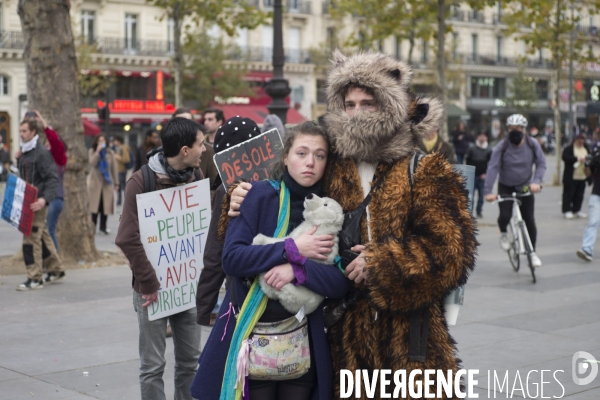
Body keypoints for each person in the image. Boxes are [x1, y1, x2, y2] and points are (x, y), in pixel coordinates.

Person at [227, 50, 477, 398]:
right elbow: (286, 190)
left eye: (368, 103)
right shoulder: (334, 165)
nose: (356, 113)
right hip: (346, 338)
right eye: (349, 104)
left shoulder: (424, 169)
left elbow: (453, 254)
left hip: (410, 339)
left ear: (389, 106)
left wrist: (382, 262)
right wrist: (238, 196)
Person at [191, 121, 348, 400]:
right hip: (253, 339)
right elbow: (232, 259)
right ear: (285, 156)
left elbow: (339, 283)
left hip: (303, 344)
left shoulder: (330, 209)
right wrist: (292, 248)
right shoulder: (259, 195)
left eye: (319, 155)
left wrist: (296, 269)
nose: (310, 162)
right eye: (301, 153)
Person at [115, 117, 206, 400]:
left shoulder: (196, 175)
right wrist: (149, 281)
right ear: (184, 150)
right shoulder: (141, 181)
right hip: (151, 293)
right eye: (201, 144)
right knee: (153, 366)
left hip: (186, 287)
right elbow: (126, 237)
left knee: (191, 362)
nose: (205, 149)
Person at [194, 116, 261, 341]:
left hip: (239, 289)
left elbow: (215, 253)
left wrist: (203, 307)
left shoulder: (227, 190)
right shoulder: (279, 182)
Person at [485, 113, 546, 268]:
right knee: (504, 215)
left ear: (524, 129)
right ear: (508, 129)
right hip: (506, 185)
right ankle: (504, 232)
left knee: (529, 220)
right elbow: (493, 168)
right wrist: (488, 192)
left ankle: (532, 253)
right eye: (512, 128)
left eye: (518, 128)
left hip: (525, 185)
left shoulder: (532, 144)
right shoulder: (502, 146)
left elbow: (541, 164)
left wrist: (536, 182)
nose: (515, 131)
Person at [16, 119, 65, 290]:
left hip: (37, 204)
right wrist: (18, 160)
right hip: (27, 202)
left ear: (33, 132)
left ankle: (34, 278)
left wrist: (44, 200)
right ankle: (56, 269)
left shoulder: (41, 152)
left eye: (24, 131)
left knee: (30, 240)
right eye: (20, 131)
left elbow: (52, 178)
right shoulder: (25, 152)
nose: (21, 134)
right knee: (42, 236)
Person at [173, 108, 219, 189]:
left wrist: (199, 197)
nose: (184, 127)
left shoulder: (207, 151)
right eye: (179, 122)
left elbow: (215, 188)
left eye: (187, 122)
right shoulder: (160, 155)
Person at [88, 134, 118, 235]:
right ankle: (92, 227)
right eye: (99, 141)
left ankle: (103, 227)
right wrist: (97, 152)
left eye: (103, 141)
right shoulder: (92, 151)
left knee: (105, 207)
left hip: (107, 183)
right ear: (96, 142)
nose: (102, 143)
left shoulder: (110, 153)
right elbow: (92, 163)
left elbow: (114, 168)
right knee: (94, 207)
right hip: (95, 183)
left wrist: (116, 182)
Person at [577, 144, 600, 261]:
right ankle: (587, 249)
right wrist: (587, 164)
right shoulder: (597, 154)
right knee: (593, 221)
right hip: (597, 195)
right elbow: (588, 174)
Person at [562, 134, 589, 219]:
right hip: (571, 177)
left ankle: (577, 210)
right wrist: (577, 159)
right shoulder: (569, 149)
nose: (580, 142)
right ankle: (567, 210)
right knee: (568, 194)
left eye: (582, 141)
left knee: (579, 195)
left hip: (582, 176)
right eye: (579, 141)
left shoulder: (586, 149)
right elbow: (565, 157)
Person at [466, 130, 492, 218]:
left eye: (484, 136)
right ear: (478, 137)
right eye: (480, 136)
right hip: (473, 175)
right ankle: (470, 212)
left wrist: (486, 174)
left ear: (486, 138)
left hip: (482, 176)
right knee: (471, 196)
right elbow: (468, 160)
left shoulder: (489, 149)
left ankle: (479, 211)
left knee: (481, 196)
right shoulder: (472, 148)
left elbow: (491, 164)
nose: (482, 138)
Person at [112, 135, 130, 206]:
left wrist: (118, 157)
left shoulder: (123, 148)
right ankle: (119, 200)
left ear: (119, 141)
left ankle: (126, 200)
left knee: (122, 186)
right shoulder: (118, 148)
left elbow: (126, 159)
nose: (114, 143)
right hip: (118, 170)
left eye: (115, 141)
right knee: (119, 186)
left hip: (122, 170)